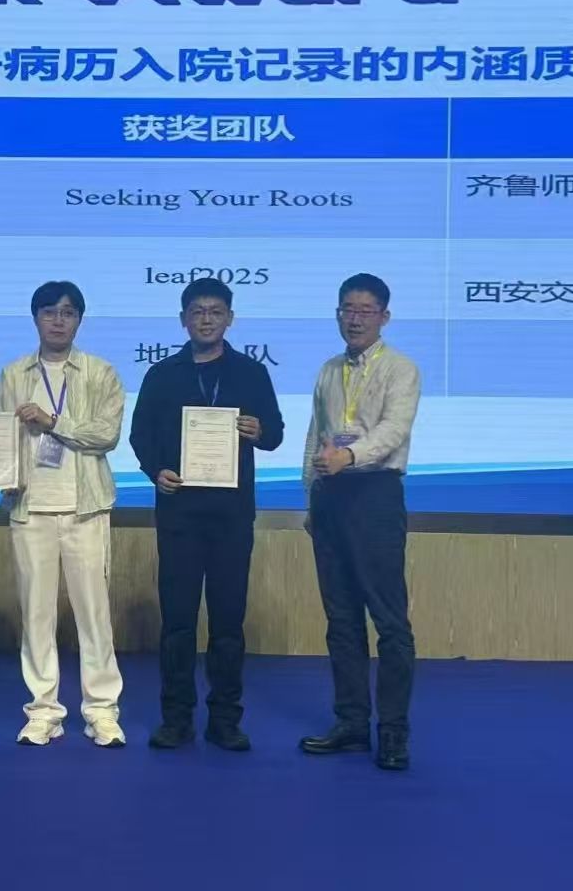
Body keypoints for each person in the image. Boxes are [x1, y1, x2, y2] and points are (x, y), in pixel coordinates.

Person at [129, 278, 283, 752]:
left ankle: (225, 719)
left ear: (230, 318)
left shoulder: (251, 373)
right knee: (177, 622)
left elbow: (276, 433)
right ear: (183, 319)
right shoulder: (162, 374)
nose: (207, 319)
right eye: (197, 311)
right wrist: (156, 470)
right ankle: (176, 719)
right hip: (179, 515)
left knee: (228, 622)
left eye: (216, 311)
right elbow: (140, 435)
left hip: (231, 518)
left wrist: (259, 431)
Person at [0, 280, 127, 748]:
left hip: (85, 507)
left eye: (67, 313)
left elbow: (106, 434)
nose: (58, 320)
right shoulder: (13, 374)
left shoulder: (100, 372)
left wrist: (52, 422)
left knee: (94, 614)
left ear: (79, 320)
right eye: (49, 312)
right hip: (30, 507)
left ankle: (101, 710)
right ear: (36, 318)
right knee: (36, 614)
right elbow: (0, 437)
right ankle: (43, 710)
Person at [299, 273, 421, 771]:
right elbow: (317, 436)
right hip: (331, 497)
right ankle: (351, 723)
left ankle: (393, 732)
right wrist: (311, 498)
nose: (354, 318)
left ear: (384, 317)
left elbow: (394, 430)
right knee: (341, 619)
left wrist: (349, 457)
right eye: (347, 309)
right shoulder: (329, 370)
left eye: (365, 310)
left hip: (375, 494)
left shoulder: (401, 369)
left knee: (389, 621)